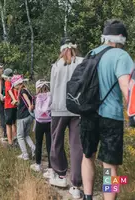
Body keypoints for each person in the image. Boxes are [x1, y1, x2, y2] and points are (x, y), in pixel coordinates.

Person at [80, 19, 134, 200]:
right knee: (110, 166)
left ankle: (87, 196)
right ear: (121, 38)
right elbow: (126, 87)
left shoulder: (92, 54)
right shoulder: (121, 56)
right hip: (111, 117)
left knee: (88, 156)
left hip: (88, 114)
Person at [49, 37, 84, 199]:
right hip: (77, 109)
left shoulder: (56, 66)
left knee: (56, 142)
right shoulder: (82, 63)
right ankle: (76, 185)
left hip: (58, 108)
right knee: (77, 146)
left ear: (61, 50)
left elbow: (52, 88)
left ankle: (61, 175)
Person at [11, 75, 36, 160]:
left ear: (18, 84)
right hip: (29, 116)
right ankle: (34, 148)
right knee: (26, 135)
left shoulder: (22, 91)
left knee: (20, 136)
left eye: (14, 85)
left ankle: (25, 154)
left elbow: (27, 100)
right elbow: (24, 101)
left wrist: (29, 105)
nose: (14, 87)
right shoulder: (27, 89)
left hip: (22, 116)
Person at [30, 80, 52, 173]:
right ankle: (51, 167)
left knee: (39, 143)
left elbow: (32, 109)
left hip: (39, 123)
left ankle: (38, 164)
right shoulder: (51, 96)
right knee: (50, 145)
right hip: (50, 122)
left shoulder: (35, 97)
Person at [2, 68, 18, 147]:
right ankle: (15, 140)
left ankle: (10, 142)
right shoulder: (14, 82)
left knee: (8, 125)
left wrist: (13, 99)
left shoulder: (7, 82)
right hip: (15, 106)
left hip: (9, 105)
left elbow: (9, 91)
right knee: (13, 123)